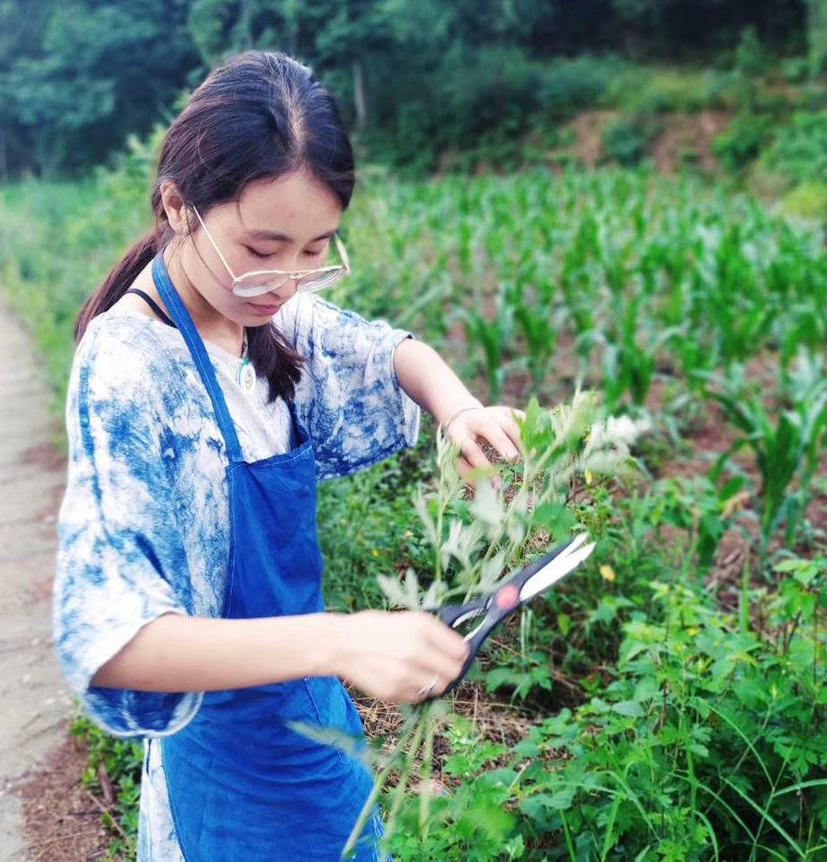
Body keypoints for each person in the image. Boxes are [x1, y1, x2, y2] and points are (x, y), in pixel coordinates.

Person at [53, 50, 523, 861]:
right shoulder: (129, 365)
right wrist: (339, 640)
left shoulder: (262, 312)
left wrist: (460, 411)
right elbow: (118, 641)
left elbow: (384, 350)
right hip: (226, 757)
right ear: (178, 206)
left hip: (315, 726)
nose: (289, 279)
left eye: (318, 249)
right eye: (266, 245)